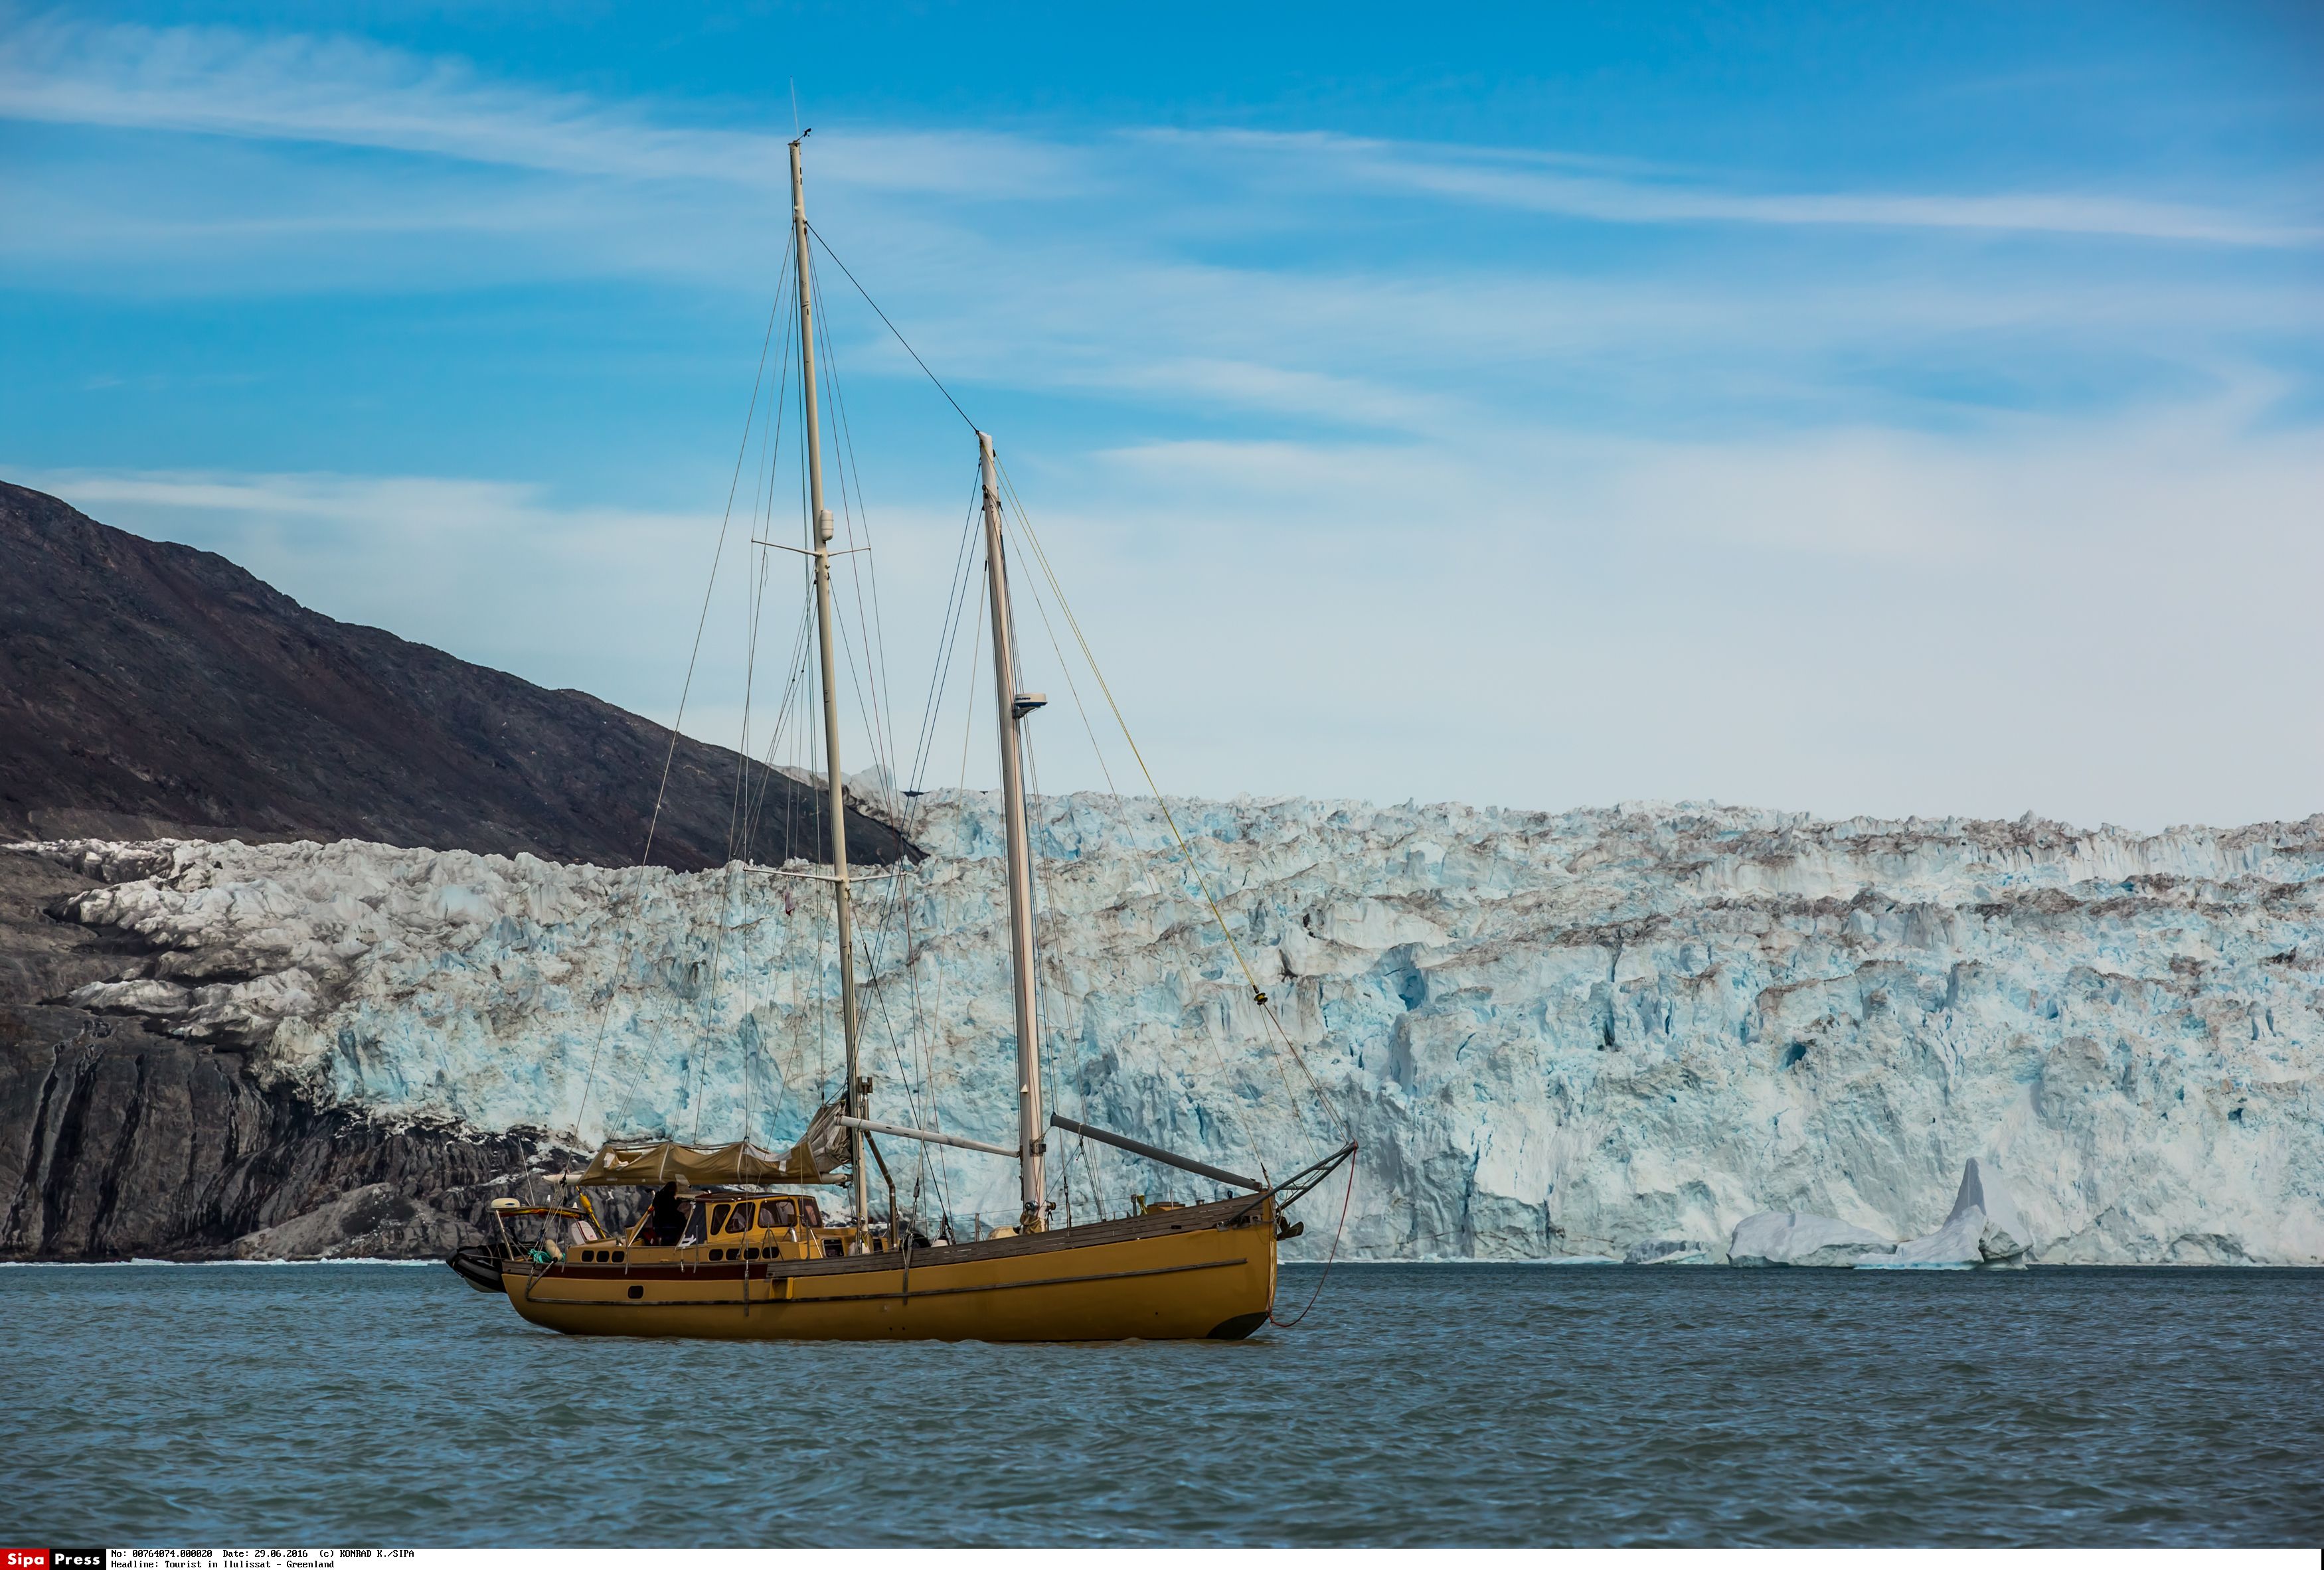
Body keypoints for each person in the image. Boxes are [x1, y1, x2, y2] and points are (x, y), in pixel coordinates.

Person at [640, 1181, 684, 1245]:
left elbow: (654, 1206)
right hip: (669, 1225)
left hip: (659, 1224)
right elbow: (674, 1209)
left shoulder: (659, 1195)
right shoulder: (671, 1199)